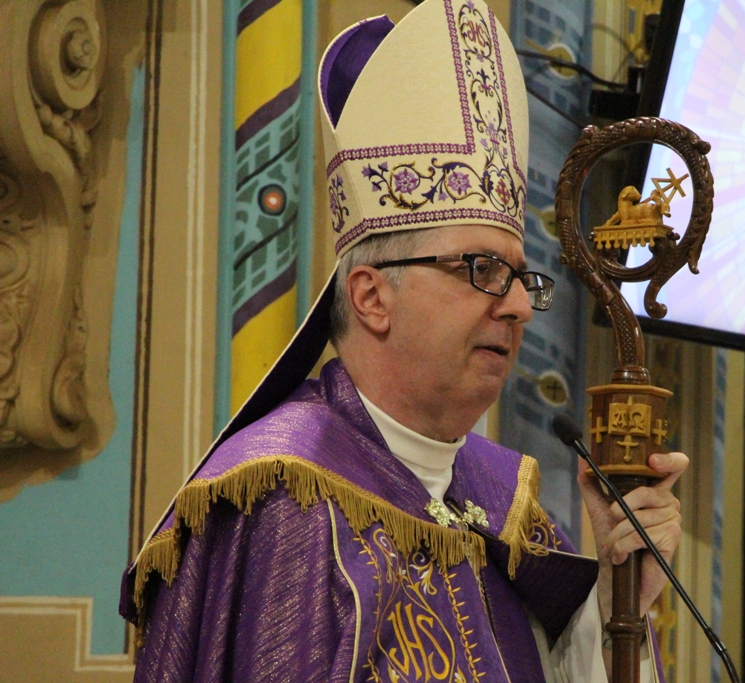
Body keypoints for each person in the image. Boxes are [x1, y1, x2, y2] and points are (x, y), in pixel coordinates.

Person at [120, 1, 687, 681]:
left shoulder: (505, 505)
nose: (515, 306)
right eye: (481, 269)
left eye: (519, 277)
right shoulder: (287, 500)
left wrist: (620, 595)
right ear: (370, 296)